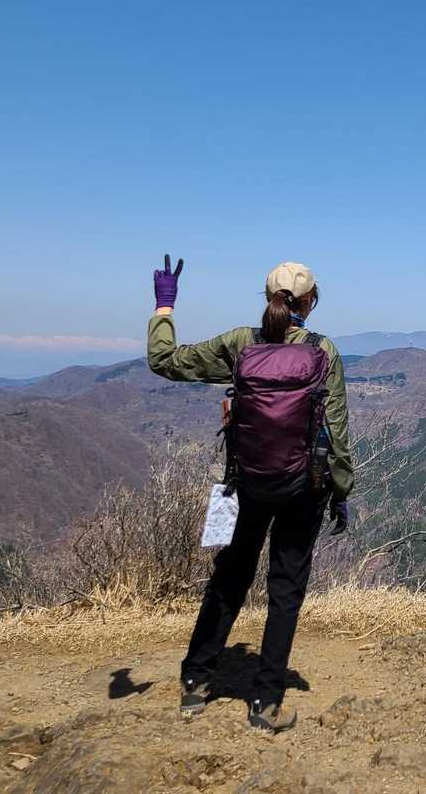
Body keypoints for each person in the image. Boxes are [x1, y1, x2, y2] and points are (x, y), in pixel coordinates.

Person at [147, 256, 354, 731]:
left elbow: (164, 361)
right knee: (285, 589)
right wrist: (341, 489)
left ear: (266, 298)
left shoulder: (241, 343)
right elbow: (337, 431)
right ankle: (265, 704)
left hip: (247, 483)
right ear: (312, 301)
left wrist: (164, 307)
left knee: (230, 577)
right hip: (305, 488)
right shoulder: (323, 350)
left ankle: (196, 681)